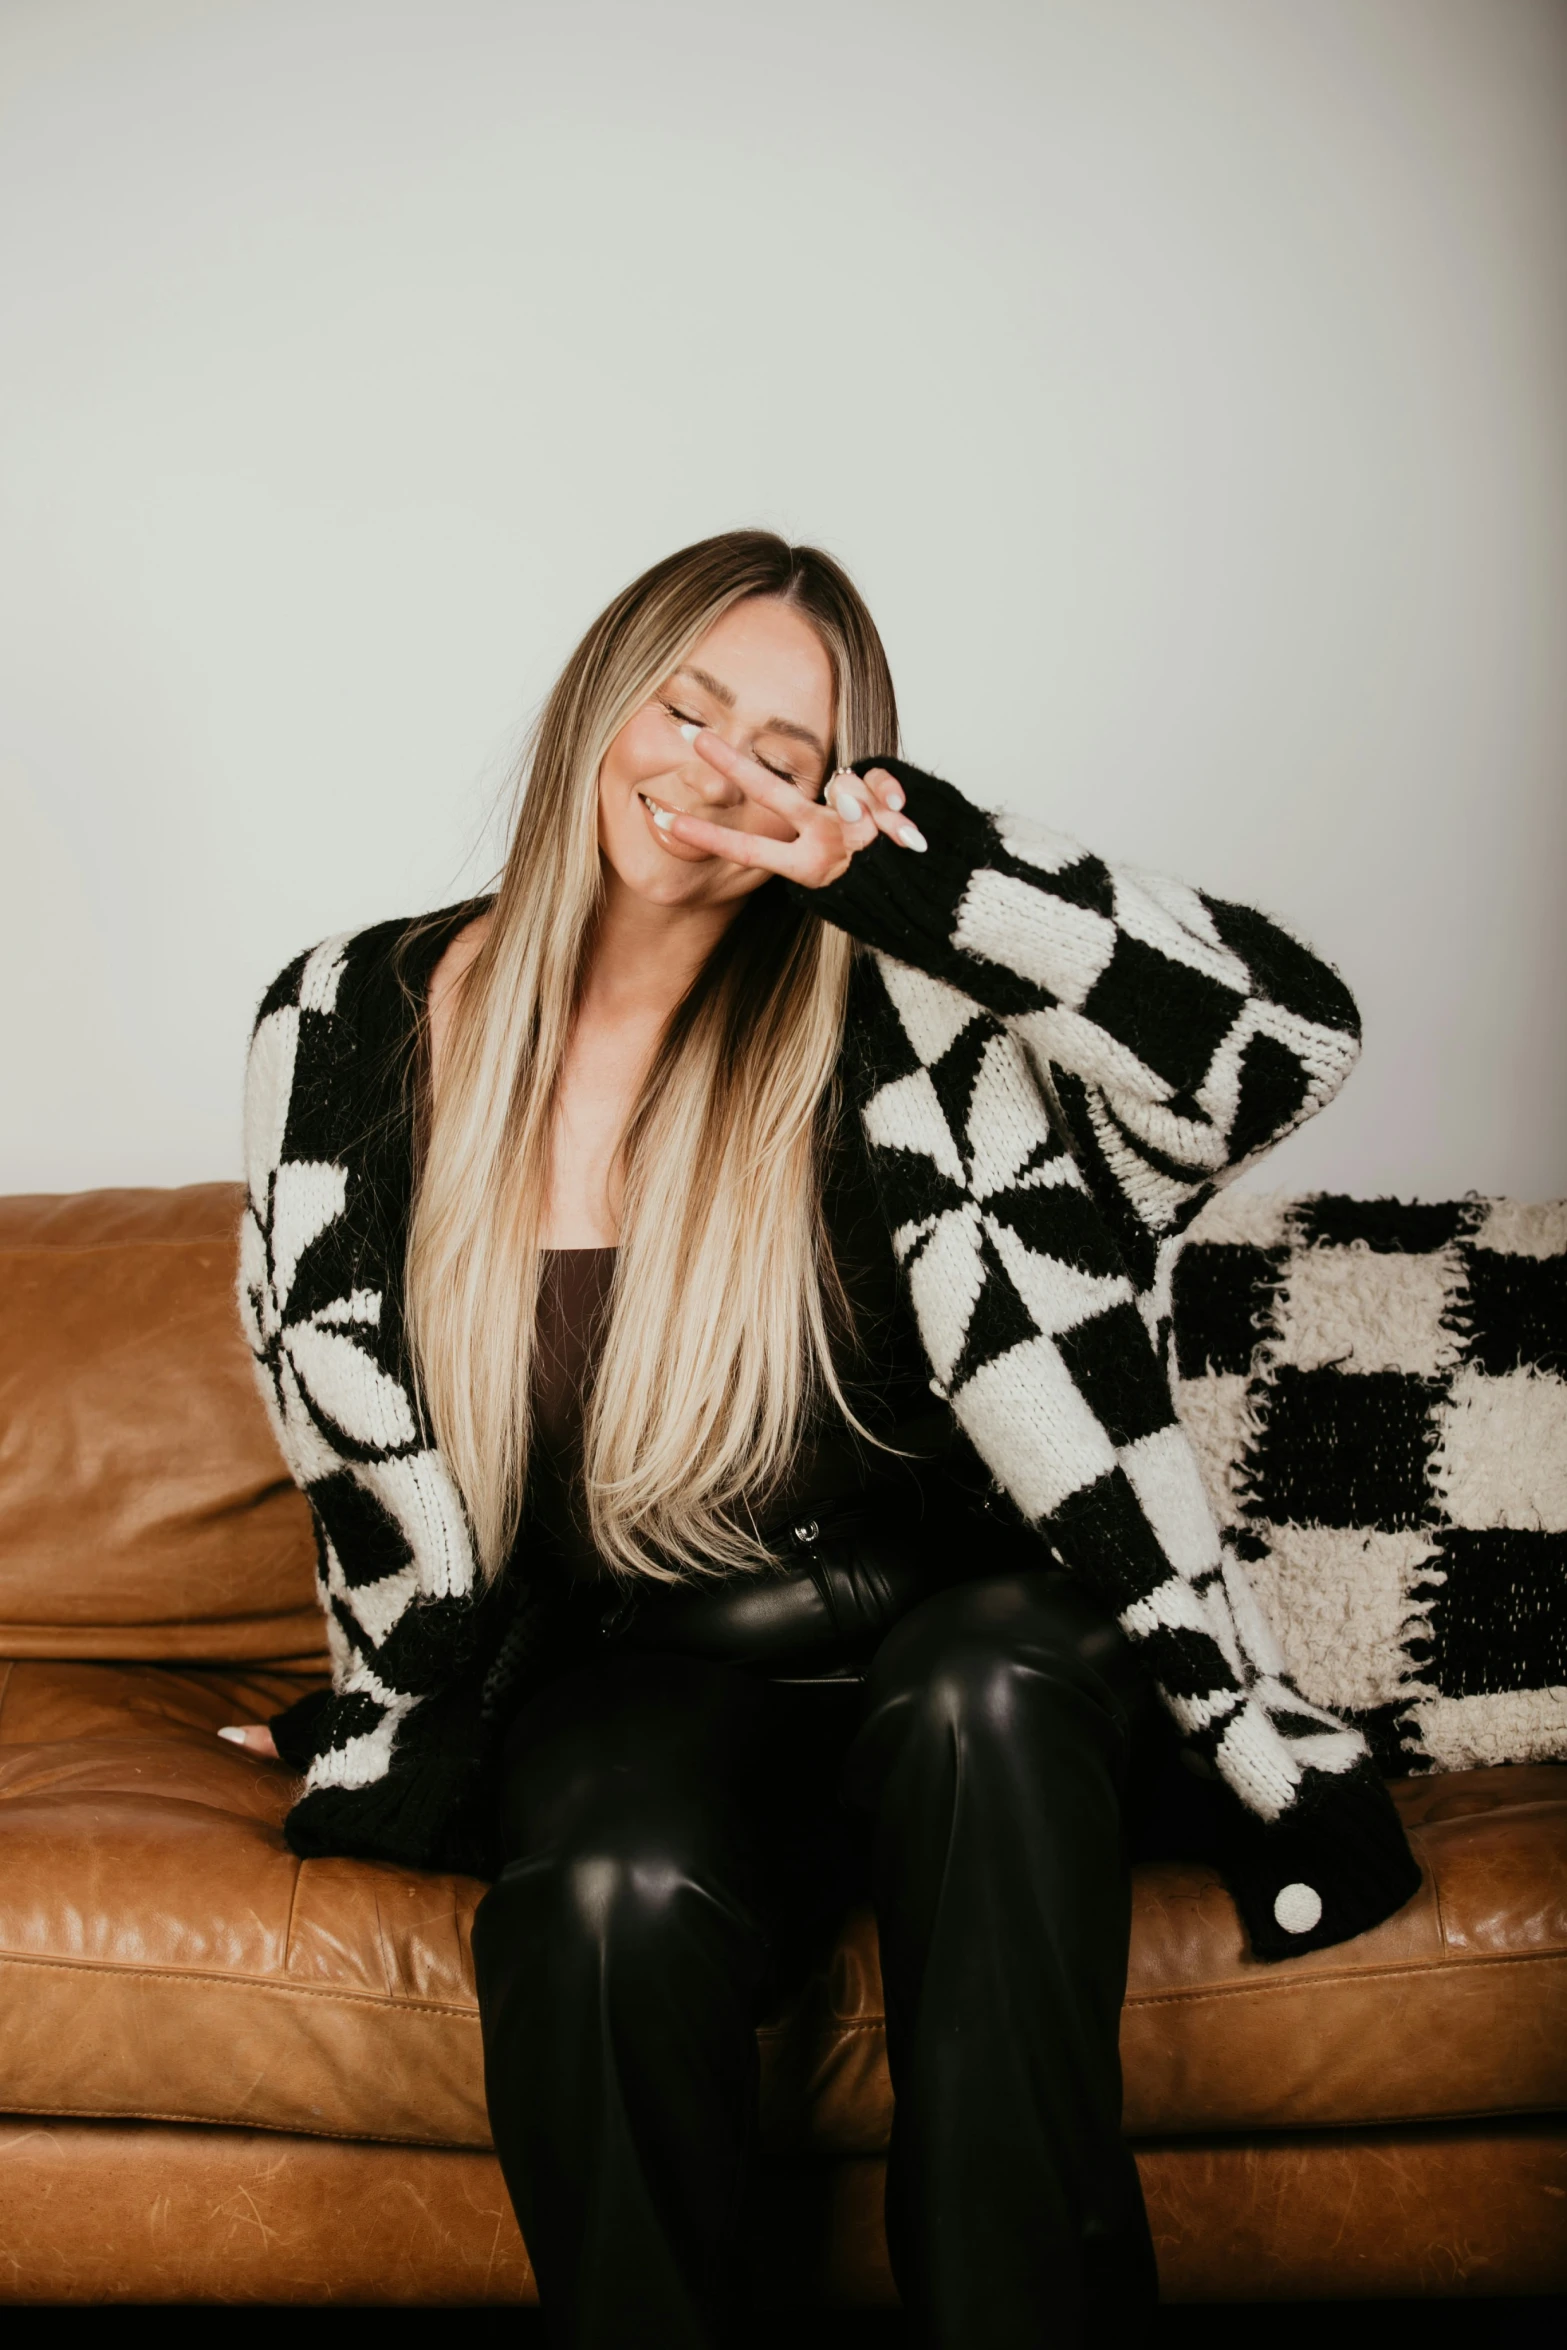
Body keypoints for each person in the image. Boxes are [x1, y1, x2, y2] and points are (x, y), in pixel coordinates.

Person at [225, 530, 1420, 2347]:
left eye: (780, 749)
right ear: (595, 703)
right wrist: (383, 1706)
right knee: (605, 1894)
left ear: (836, 793)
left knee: (983, 1694)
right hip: (653, 1660)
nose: (710, 765)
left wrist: (928, 876)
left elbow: (1284, 1041)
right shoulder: (340, 1018)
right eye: (683, 703)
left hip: (980, 1625)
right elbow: (359, 1445)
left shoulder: (919, 1004)